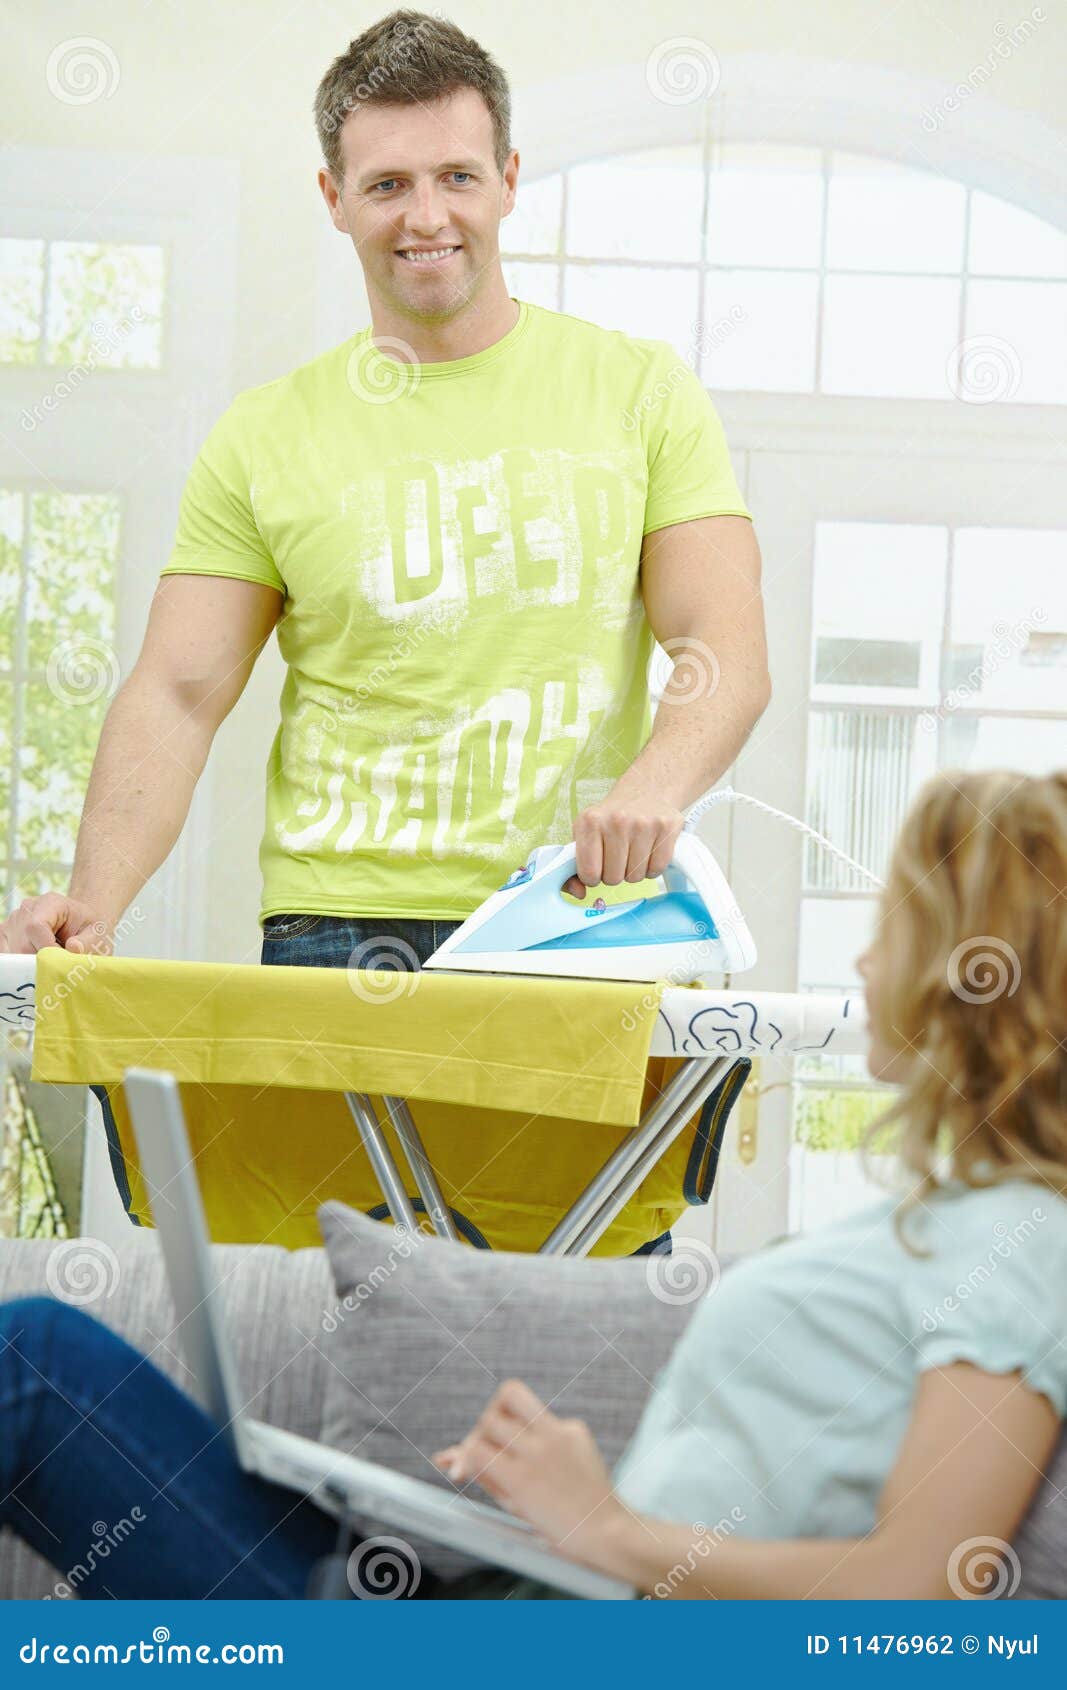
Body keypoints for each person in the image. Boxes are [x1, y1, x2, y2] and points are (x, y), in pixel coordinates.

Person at [0, 10, 768, 1256]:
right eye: (388, 183)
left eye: (459, 176)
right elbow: (178, 692)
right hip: (332, 935)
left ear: (509, 180)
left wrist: (651, 790)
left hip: (569, 930)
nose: (428, 214)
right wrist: (94, 901)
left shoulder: (637, 393)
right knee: (339, 1335)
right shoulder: (266, 436)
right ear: (332, 197)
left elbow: (720, 646)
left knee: (570, 1329)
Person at [3, 768, 1065, 1599]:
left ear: (975, 971)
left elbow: (921, 1589)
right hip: (514, 1599)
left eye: (892, 932)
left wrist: (603, 1526)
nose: (866, 966)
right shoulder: (953, 1221)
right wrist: (536, 1514)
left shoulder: (1020, 1237)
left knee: (33, 1359)